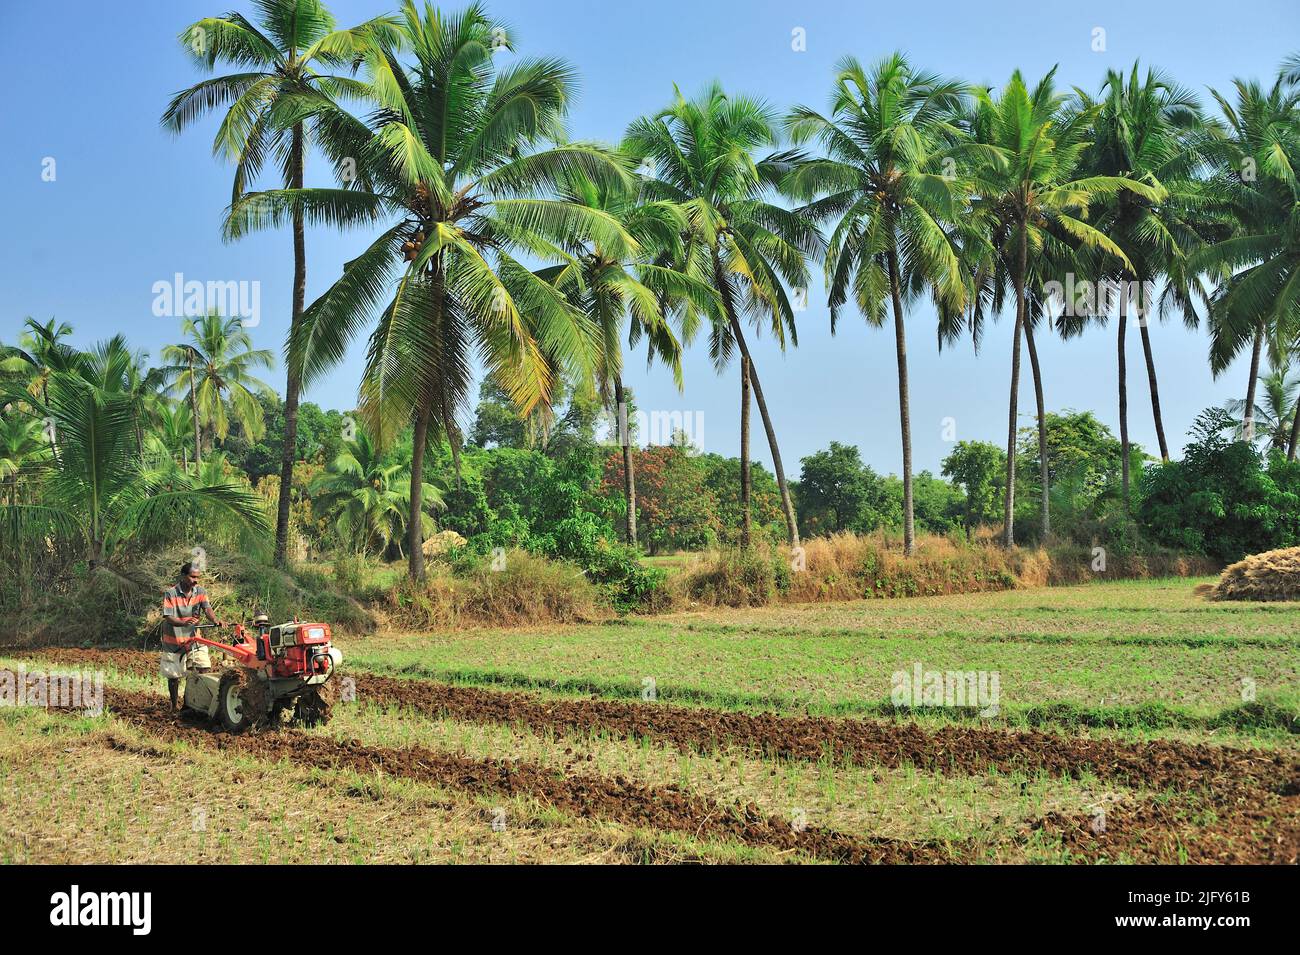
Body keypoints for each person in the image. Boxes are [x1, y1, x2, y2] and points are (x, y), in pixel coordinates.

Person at [160, 562, 224, 710]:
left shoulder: (200, 591)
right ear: (183, 576)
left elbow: (207, 609)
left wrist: (215, 619)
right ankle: (174, 705)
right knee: (174, 677)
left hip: (194, 639)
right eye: (192, 577)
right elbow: (168, 616)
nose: (196, 580)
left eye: (198, 577)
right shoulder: (171, 593)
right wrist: (184, 623)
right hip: (173, 641)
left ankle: (195, 704)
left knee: (204, 669)